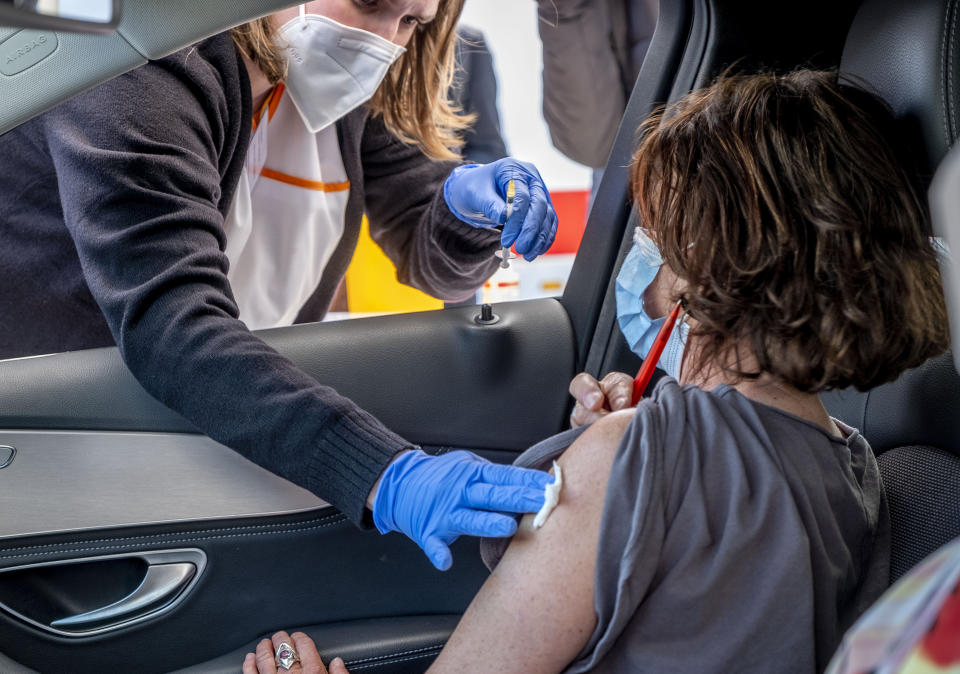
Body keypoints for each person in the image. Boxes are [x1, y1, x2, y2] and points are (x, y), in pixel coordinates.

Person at [242, 70, 949, 673]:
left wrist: (631, 452)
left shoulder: (639, 455)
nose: (645, 254)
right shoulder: (853, 468)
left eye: (660, 236)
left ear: (712, 269)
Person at [0, 0, 561, 571]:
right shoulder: (143, 68)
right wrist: (383, 474)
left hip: (223, 405)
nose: (382, 41)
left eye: (411, 21)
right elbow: (171, 322)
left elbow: (430, 257)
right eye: (369, 3)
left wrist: (468, 215)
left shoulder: (329, 92)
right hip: (71, 422)